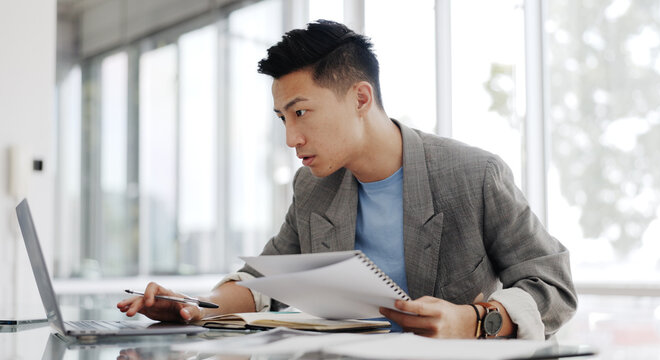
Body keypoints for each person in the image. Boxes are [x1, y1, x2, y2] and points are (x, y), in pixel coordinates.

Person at [118, 19, 576, 340]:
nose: (291, 137)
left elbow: (553, 287)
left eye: (301, 112)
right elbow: (263, 278)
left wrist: (476, 321)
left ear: (360, 97)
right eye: (282, 118)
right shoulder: (313, 187)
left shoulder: (473, 174)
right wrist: (195, 306)